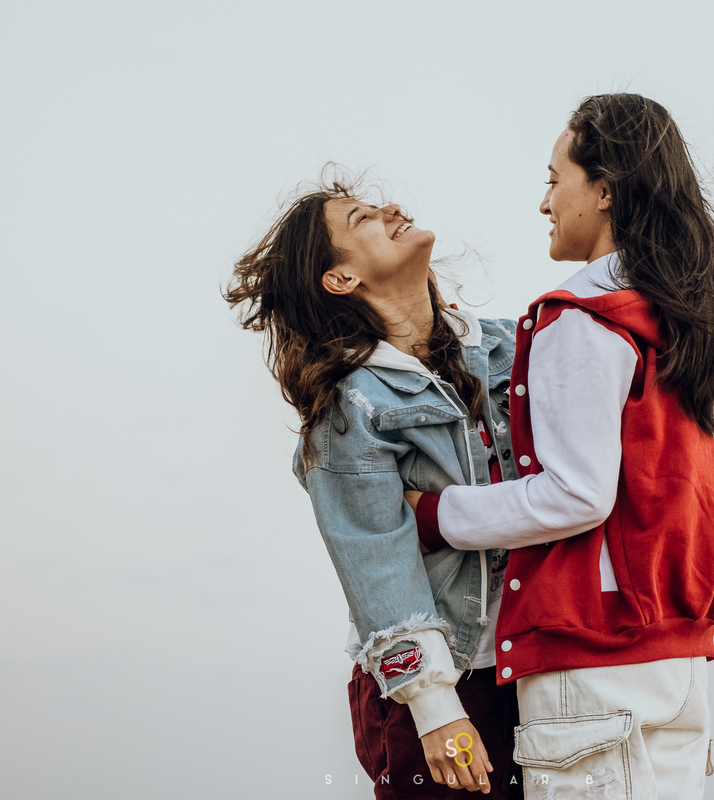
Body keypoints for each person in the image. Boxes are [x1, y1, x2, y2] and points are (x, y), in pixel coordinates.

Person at [406, 93, 714, 800]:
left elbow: (576, 494)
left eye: (553, 178)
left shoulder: (579, 319)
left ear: (603, 190)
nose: (544, 203)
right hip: (675, 660)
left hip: (593, 659)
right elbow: (640, 390)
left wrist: (434, 515)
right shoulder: (665, 312)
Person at [225, 181, 525, 798]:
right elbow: (377, 560)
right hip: (451, 681)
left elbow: (617, 367)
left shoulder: (508, 346)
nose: (394, 209)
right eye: (363, 217)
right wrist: (435, 708)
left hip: (537, 663)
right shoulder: (349, 407)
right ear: (340, 280)